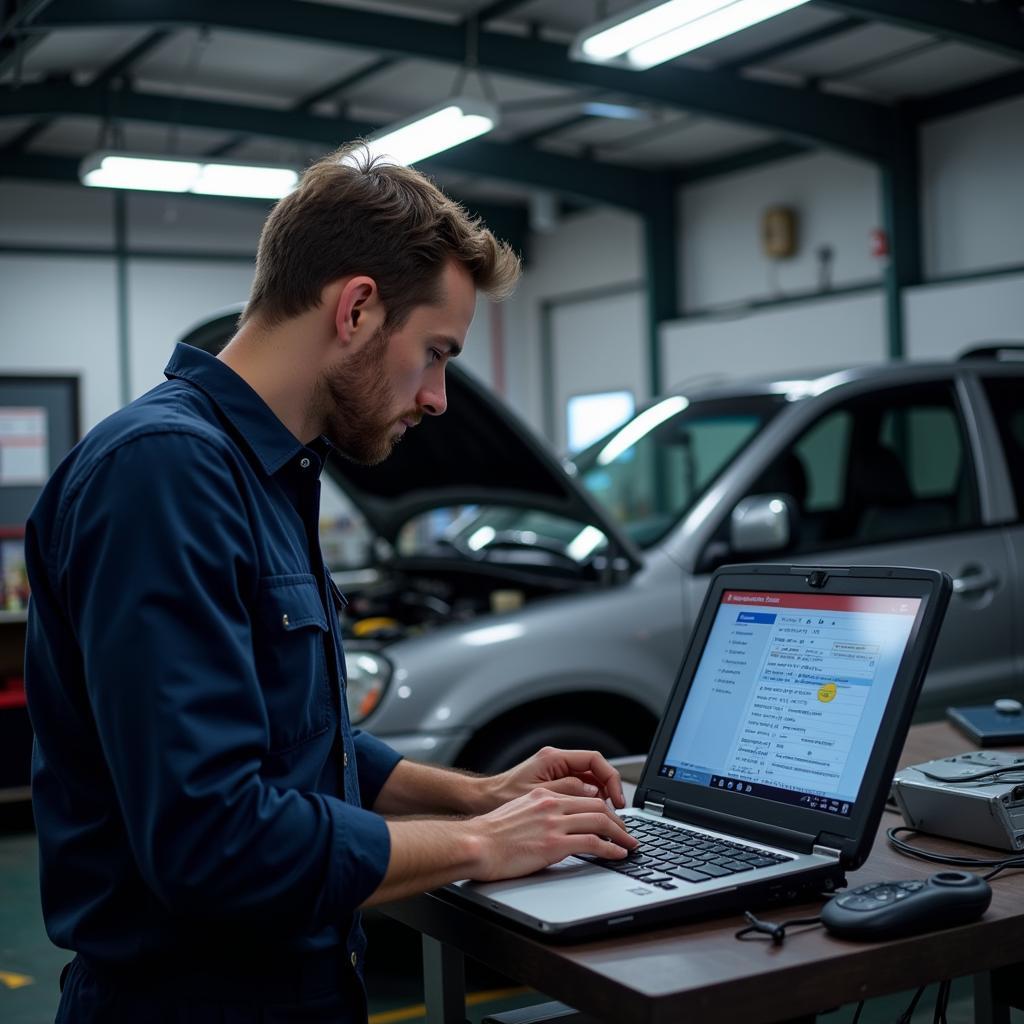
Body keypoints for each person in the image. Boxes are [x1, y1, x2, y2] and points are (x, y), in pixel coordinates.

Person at [23, 143, 638, 1024]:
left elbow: (293, 743)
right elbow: (211, 840)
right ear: (356, 308)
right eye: (435, 352)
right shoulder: (165, 475)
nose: (438, 399)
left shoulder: (266, 474)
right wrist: (478, 844)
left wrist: (479, 792)